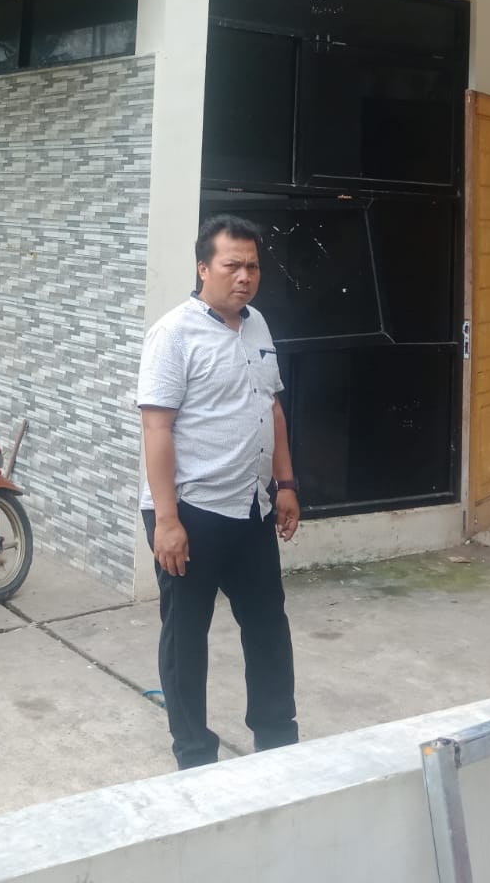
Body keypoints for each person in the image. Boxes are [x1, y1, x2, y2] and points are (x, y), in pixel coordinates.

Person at [137, 214, 299, 770]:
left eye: (253, 266)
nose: (244, 276)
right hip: (191, 511)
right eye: (232, 265)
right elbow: (157, 428)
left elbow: (272, 408)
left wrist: (285, 484)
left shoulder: (258, 326)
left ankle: (278, 740)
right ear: (204, 268)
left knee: (268, 624)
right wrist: (166, 521)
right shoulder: (173, 334)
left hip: (251, 506)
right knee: (187, 636)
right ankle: (195, 755)